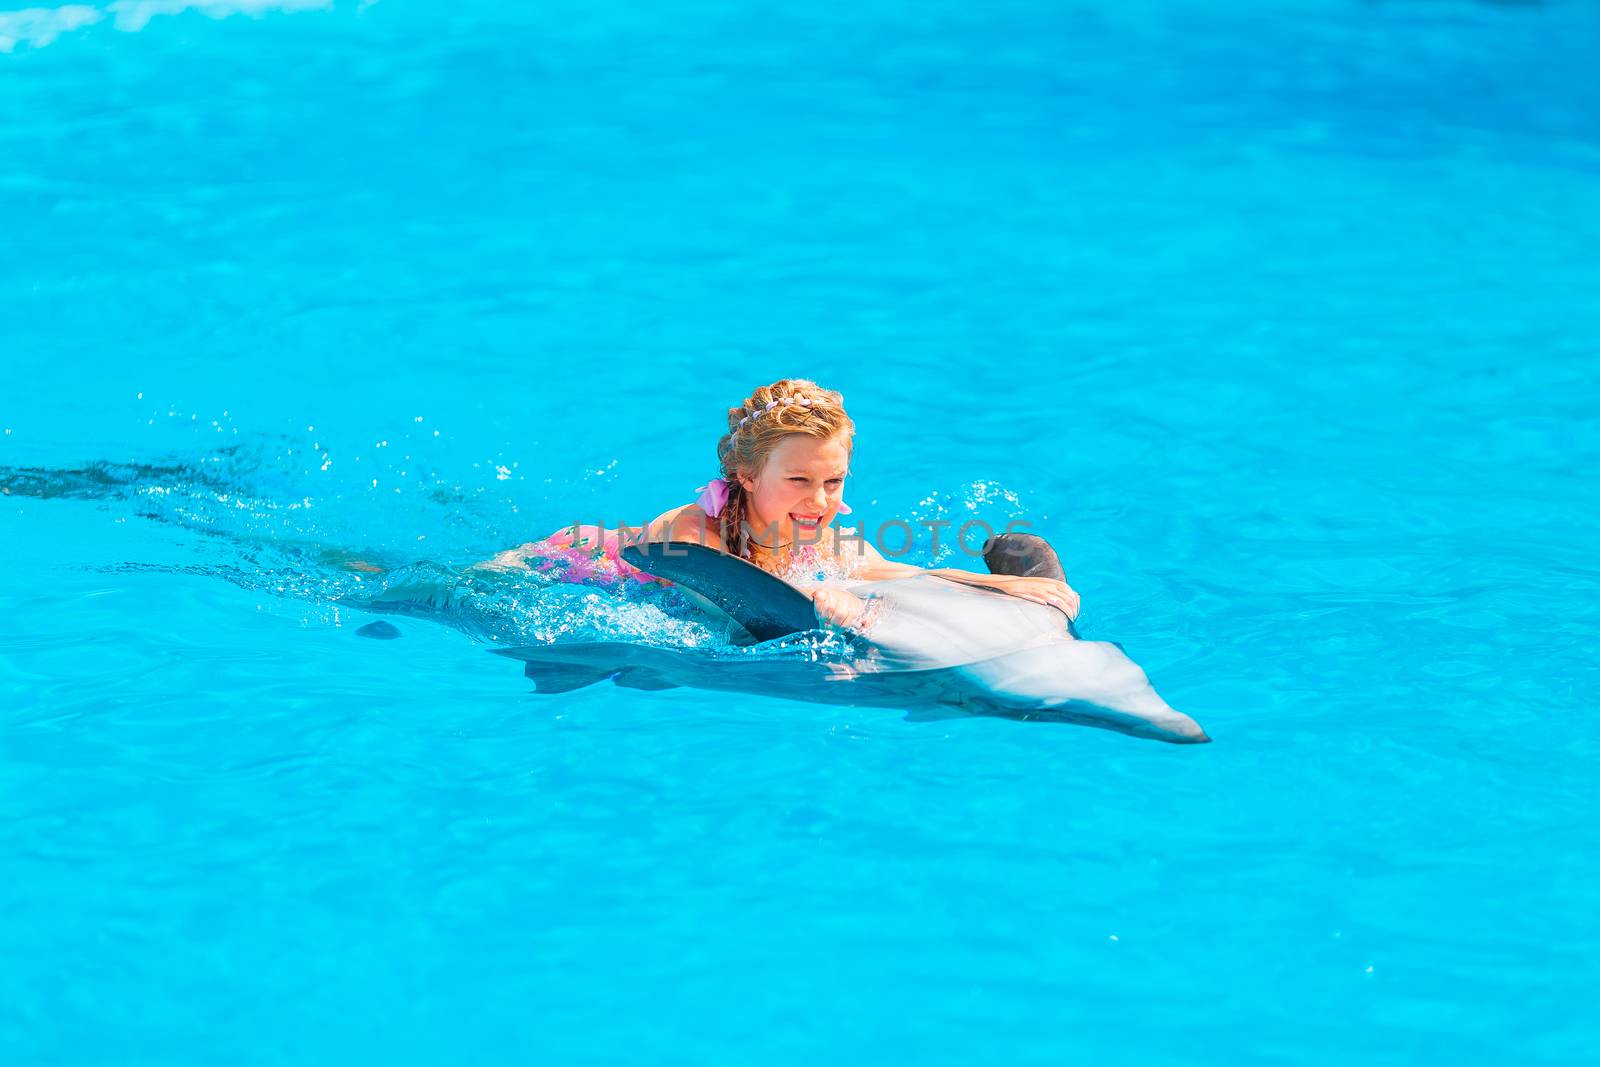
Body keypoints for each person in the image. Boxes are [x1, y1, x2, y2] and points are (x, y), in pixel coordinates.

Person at [480, 378, 1080, 630]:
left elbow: (911, 575)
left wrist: (1027, 589)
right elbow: (716, 595)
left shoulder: (824, 538)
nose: (819, 501)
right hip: (572, 559)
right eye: (798, 481)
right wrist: (825, 601)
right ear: (745, 475)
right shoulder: (690, 531)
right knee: (449, 586)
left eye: (834, 482)